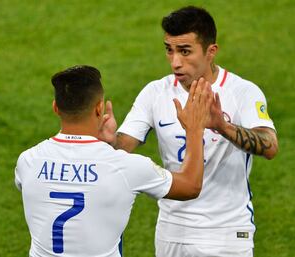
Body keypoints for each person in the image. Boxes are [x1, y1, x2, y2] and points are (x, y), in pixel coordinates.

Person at [101, 6, 279, 257]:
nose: (175, 62)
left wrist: (222, 126)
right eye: (169, 50)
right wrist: (108, 141)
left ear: (211, 52)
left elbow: (270, 146)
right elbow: (122, 148)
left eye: (185, 51)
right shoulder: (155, 93)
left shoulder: (242, 92)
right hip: (172, 232)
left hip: (227, 233)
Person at [14, 65, 212, 257]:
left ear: (56, 108)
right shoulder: (125, 166)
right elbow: (190, 186)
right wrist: (194, 129)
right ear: (99, 108)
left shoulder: (28, 161)